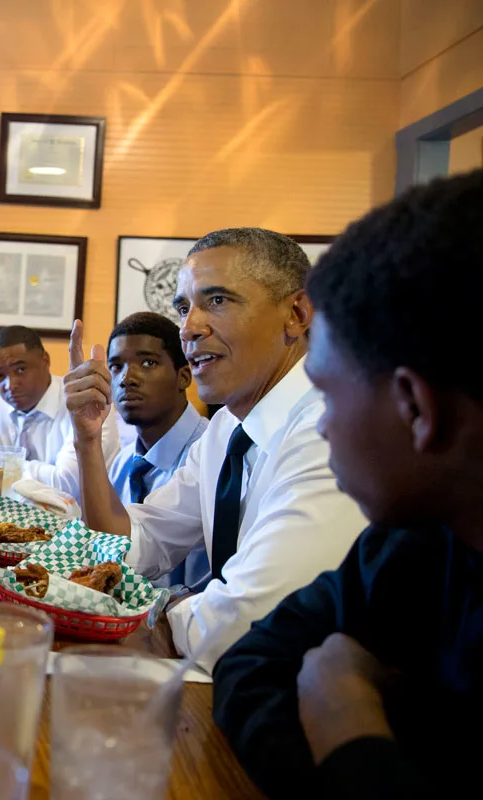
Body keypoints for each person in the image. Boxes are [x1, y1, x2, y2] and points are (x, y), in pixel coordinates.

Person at [213, 171, 483, 798]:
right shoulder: (414, 545)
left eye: (328, 392)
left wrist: (345, 714)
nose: (323, 424)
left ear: (415, 407)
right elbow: (249, 666)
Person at [65, 228, 366, 672]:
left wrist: (165, 620)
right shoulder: (226, 428)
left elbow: (249, 616)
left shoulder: (329, 430)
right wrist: (88, 440)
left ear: (297, 314)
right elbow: (134, 545)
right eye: (184, 307)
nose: (188, 329)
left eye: (218, 301)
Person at [0, 325, 120, 494]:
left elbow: (67, 484)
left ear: (45, 361)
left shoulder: (84, 405)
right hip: (10, 522)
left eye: (20, 370)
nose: (10, 385)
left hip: (81, 523)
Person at [105, 312, 209, 588]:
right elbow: (106, 553)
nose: (127, 378)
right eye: (116, 366)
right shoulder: (124, 461)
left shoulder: (211, 453)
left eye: (148, 362)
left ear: (184, 376)